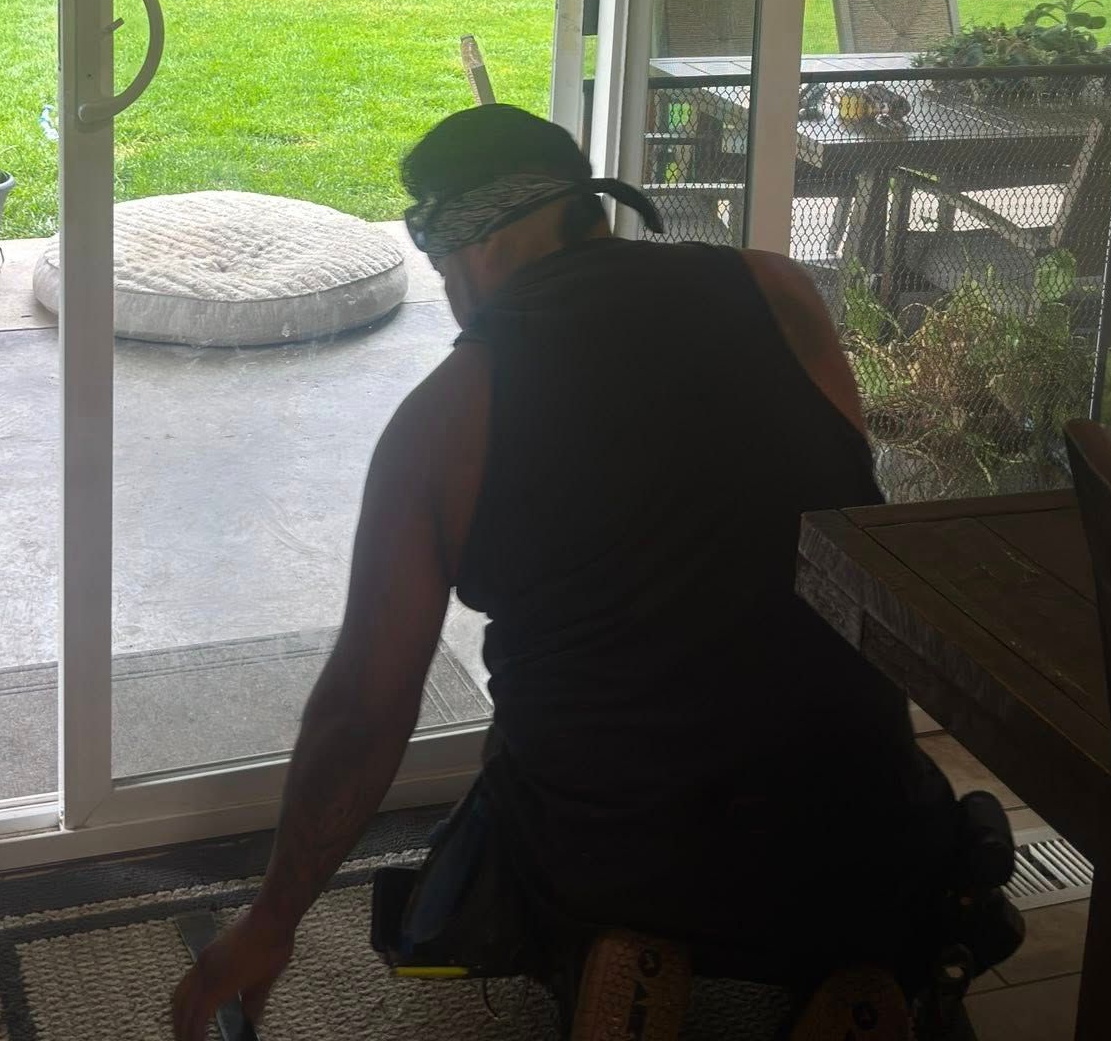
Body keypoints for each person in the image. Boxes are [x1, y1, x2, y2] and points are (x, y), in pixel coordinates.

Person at [171, 105, 968, 1041]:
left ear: (482, 243)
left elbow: (364, 710)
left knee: (501, 795)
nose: (454, 303)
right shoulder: (777, 292)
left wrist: (272, 921)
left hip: (622, 846)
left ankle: (626, 954)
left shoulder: (448, 419)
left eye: (442, 270)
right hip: (868, 818)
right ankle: (855, 969)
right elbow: (830, 509)